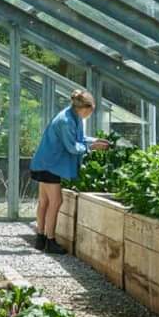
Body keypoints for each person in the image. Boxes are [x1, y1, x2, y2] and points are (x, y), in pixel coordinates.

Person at [29, 89, 109, 252]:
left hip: (45, 162)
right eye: (90, 112)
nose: (90, 115)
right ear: (84, 108)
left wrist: (95, 141)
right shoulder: (66, 120)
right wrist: (92, 147)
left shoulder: (71, 114)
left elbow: (78, 138)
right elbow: (72, 147)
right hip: (51, 164)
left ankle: (40, 238)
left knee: (44, 202)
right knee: (56, 202)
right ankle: (50, 241)